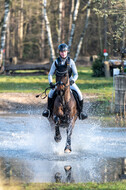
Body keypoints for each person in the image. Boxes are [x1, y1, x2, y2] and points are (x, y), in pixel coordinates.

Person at [42, 43, 87, 120]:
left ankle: (81, 112)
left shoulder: (71, 62)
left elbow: (76, 74)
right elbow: (50, 74)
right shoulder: (56, 62)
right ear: (59, 52)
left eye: (65, 51)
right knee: (50, 94)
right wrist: (51, 83)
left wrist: (73, 80)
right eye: (62, 52)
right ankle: (48, 111)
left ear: (67, 52)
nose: (63, 53)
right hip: (59, 83)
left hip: (69, 82)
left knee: (79, 94)